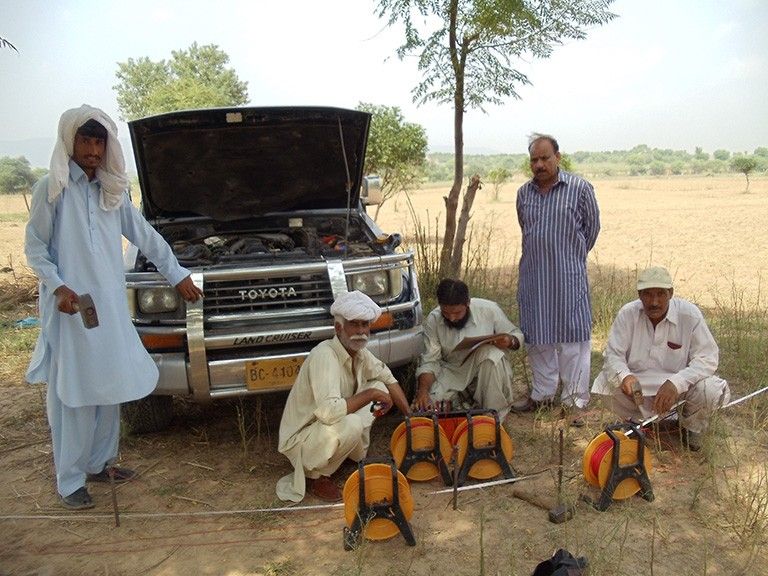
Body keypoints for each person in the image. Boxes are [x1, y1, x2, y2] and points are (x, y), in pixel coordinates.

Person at [25, 105, 203, 510]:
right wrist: (58, 288)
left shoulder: (111, 191)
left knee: (110, 383)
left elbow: (145, 235)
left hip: (108, 305)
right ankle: (70, 480)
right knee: (74, 392)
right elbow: (35, 248)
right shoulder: (50, 188)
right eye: (85, 140)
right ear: (70, 143)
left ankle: (101, 462)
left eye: (98, 141)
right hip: (72, 308)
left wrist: (176, 273)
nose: (92, 149)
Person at [276, 290, 410, 502]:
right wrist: (370, 394)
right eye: (354, 324)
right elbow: (329, 413)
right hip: (303, 440)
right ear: (338, 328)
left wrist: (411, 419)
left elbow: (388, 377)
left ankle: (350, 454)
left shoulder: (360, 353)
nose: (361, 331)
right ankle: (316, 475)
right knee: (355, 420)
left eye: (365, 325)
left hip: (330, 428)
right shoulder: (324, 355)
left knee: (381, 388)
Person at [591, 266, 730, 451]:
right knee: (605, 385)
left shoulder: (689, 315)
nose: (654, 302)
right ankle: (638, 423)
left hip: (680, 387)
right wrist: (625, 376)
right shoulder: (628, 314)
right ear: (639, 295)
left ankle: (692, 427)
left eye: (660, 294)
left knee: (709, 390)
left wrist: (676, 383)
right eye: (647, 294)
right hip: (639, 387)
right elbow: (613, 356)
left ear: (671, 293)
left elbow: (707, 358)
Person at [513, 134, 600, 417]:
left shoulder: (580, 188)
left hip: (567, 277)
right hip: (534, 278)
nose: (539, 164)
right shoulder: (523, 194)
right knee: (538, 336)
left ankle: (574, 400)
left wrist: (568, 256)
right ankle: (543, 394)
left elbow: (592, 230)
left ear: (558, 157)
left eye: (544, 158)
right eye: (534, 160)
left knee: (572, 337)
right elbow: (526, 230)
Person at [414, 278, 525, 420]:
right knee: (431, 406)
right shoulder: (433, 319)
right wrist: (422, 391)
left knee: (491, 355)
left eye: (457, 313)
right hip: (452, 371)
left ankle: (492, 418)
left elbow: (516, 335)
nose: (452, 318)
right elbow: (430, 361)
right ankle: (466, 405)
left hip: (484, 370)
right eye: (446, 313)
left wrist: (509, 341)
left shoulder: (489, 310)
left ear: (467, 303)